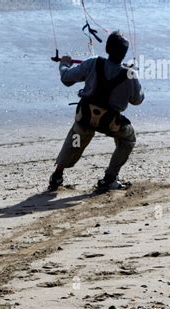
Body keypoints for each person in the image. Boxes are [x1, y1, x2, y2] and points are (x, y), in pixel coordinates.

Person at [48, 31, 144, 193]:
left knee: (75, 138)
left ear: (107, 49)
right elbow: (137, 100)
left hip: (85, 118)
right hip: (110, 123)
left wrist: (64, 64)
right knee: (128, 139)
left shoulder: (93, 63)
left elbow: (67, 78)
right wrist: (133, 77)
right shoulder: (130, 74)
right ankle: (110, 178)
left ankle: (57, 175)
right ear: (124, 53)